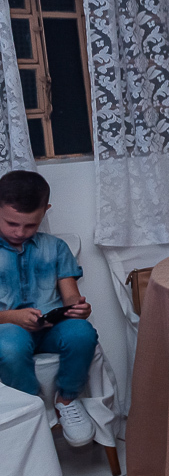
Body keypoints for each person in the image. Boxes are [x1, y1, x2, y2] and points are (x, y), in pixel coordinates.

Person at [0, 170, 98, 446]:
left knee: (82, 332)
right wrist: (13, 317)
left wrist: (78, 308)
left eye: (30, 225)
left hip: (51, 328)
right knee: (9, 345)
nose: (20, 232)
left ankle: (66, 399)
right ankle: (33, 406)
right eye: (11, 223)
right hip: (7, 330)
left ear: (46, 211)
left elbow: (71, 296)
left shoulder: (56, 247)